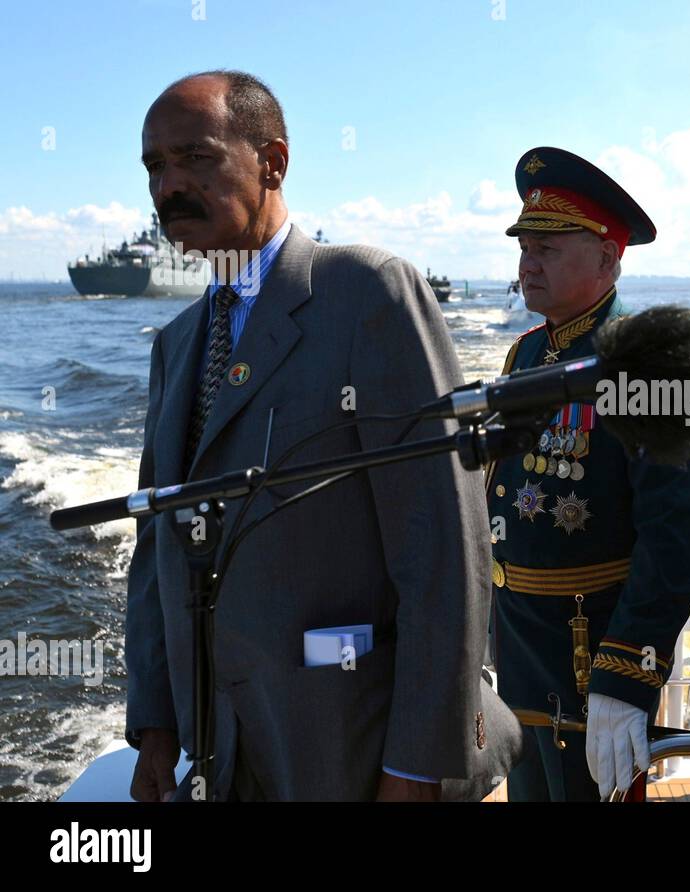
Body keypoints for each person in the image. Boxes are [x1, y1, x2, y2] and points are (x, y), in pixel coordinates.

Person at [125, 70, 522, 802]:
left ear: (272, 162)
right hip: (219, 748)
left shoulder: (366, 292)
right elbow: (157, 548)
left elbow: (443, 549)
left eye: (196, 158)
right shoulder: (176, 345)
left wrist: (417, 765)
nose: (169, 186)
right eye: (155, 166)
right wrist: (155, 724)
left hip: (351, 744)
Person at [488, 146, 690, 801]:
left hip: (592, 648)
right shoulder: (526, 351)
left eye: (550, 248)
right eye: (525, 247)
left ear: (608, 260)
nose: (529, 263)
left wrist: (628, 674)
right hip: (519, 641)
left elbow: (675, 537)